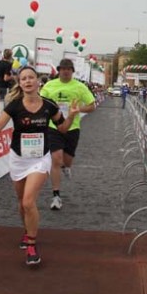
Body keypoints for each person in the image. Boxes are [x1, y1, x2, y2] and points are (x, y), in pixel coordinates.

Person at [0, 66, 79, 266]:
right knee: (22, 202)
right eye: (24, 79)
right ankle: (27, 230)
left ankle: (31, 244)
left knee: (29, 202)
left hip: (40, 158)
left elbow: (63, 128)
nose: (28, 81)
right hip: (18, 158)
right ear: (20, 83)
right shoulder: (14, 106)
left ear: (38, 81)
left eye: (31, 78)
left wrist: (71, 116)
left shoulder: (49, 105)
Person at [40, 58, 96, 211]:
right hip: (54, 127)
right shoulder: (49, 86)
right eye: (63, 69)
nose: (65, 71)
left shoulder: (80, 87)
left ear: (72, 71)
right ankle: (56, 196)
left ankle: (66, 166)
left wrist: (78, 110)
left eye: (68, 69)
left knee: (67, 161)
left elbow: (92, 106)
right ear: (58, 70)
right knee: (56, 160)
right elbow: (40, 103)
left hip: (72, 128)